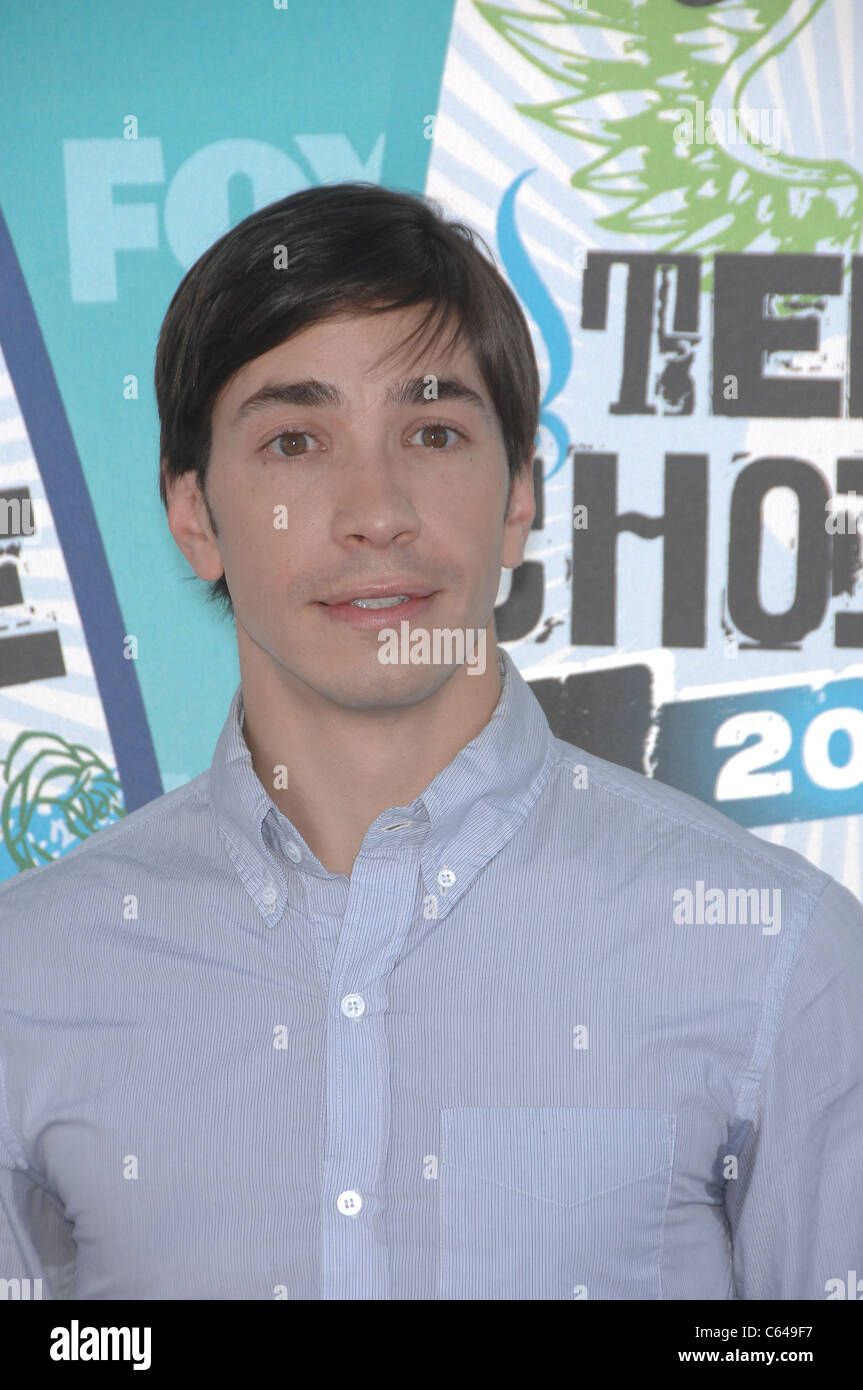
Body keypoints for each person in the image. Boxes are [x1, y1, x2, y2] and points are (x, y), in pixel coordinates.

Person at [1, 182, 861, 1302]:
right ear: (196, 516)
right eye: (296, 439)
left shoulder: (776, 953)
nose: (376, 509)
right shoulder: (31, 971)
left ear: (517, 497)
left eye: (433, 430)